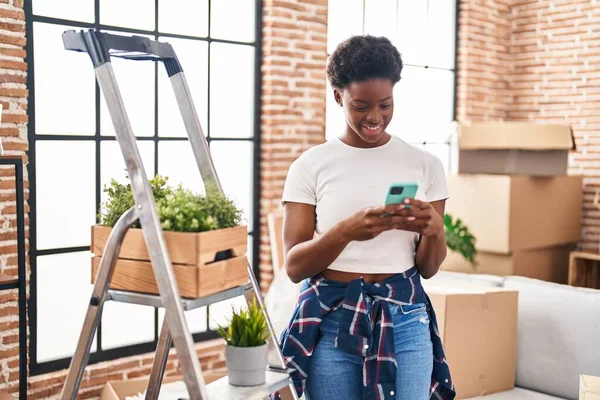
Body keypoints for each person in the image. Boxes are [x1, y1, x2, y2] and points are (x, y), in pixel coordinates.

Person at [276, 35, 456, 400]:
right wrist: (346, 232)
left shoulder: (425, 165)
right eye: (361, 106)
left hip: (405, 320)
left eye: (385, 104)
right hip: (334, 323)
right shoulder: (310, 166)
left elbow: (428, 268)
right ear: (338, 97)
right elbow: (294, 266)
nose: (375, 117)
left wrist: (436, 232)